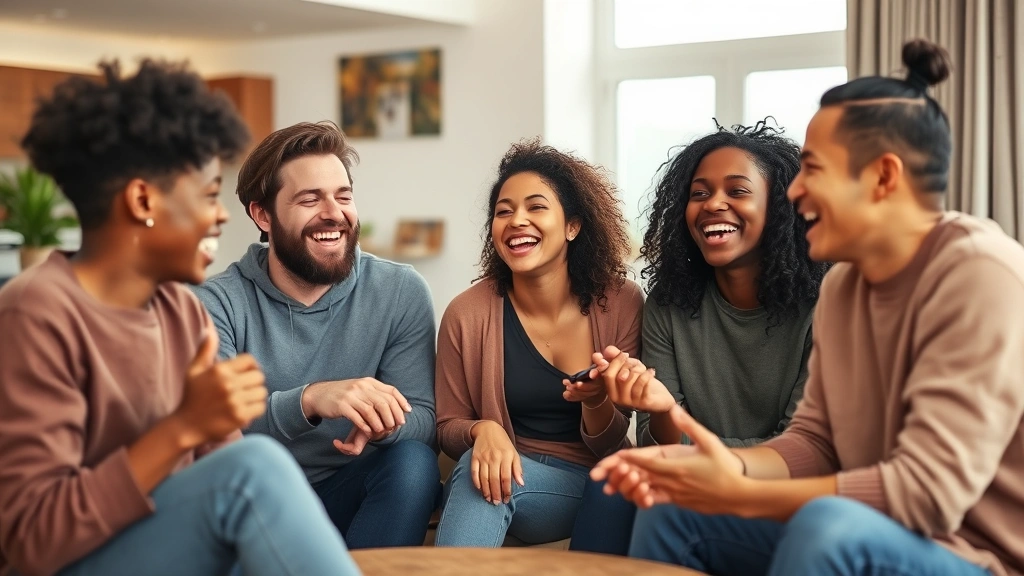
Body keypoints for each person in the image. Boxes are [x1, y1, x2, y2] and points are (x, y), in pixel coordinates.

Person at [594, 39, 1024, 576]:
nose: (794, 191)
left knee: (826, 527)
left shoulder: (980, 274)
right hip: (869, 528)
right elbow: (816, 442)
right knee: (674, 506)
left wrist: (741, 493)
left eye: (813, 169)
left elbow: (927, 494)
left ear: (884, 177)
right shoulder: (844, 289)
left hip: (979, 558)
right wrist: (713, 468)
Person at [0, 60, 360, 576]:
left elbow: (224, 474)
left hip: (169, 548)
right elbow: (33, 541)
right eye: (210, 195)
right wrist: (182, 428)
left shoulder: (180, 312)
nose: (220, 215)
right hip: (67, 563)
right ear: (143, 200)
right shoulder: (35, 313)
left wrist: (207, 427)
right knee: (252, 469)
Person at [570, 121, 828, 555]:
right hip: (688, 478)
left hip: (783, 492)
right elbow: (656, 438)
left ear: (780, 207)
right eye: (700, 193)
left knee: (663, 502)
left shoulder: (824, 307)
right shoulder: (669, 305)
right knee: (611, 485)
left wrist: (693, 456)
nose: (714, 205)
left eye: (738, 191)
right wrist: (663, 408)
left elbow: (798, 447)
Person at [193, 121, 439, 549]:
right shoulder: (215, 303)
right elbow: (216, 432)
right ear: (262, 214)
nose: (334, 213)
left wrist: (385, 426)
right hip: (258, 500)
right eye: (310, 199)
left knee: (413, 463)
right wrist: (309, 399)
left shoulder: (400, 291)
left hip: (350, 491)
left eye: (343, 196)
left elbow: (425, 421)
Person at [433, 140, 644, 547]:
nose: (517, 221)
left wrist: (596, 400)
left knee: (483, 480)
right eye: (503, 211)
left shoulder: (620, 302)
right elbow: (446, 427)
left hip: (591, 484)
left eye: (536, 207)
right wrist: (483, 430)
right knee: (478, 472)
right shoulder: (466, 313)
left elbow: (612, 442)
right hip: (504, 474)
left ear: (572, 226)